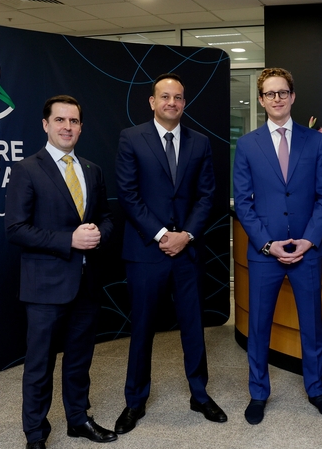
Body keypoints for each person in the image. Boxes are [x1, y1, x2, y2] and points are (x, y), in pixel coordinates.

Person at [114, 72, 224, 433]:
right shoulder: (131, 138)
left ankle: (200, 395)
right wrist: (163, 235)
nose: (171, 102)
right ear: (152, 101)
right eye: (165, 96)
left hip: (187, 252)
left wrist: (186, 235)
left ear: (184, 103)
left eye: (178, 97)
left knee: (193, 327)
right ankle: (135, 401)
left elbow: (207, 195)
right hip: (147, 251)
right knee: (142, 328)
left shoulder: (200, 142)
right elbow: (128, 194)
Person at [5, 95, 116, 449]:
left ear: (81, 127)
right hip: (45, 286)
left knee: (80, 360)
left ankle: (78, 419)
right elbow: (15, 229)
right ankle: (35, 434)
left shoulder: (92, 170)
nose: (68, 127)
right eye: (60, 120)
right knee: (40, 365)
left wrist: (98, 234)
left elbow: (106, 218)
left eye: (74, 121)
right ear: (46, 125)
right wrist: (69, 239)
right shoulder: (27, 169)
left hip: (86, 283)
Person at [233, 68, 322, 425]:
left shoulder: (314, 142)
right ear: (261, 100)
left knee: (312, 325)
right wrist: (267, 244)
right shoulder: (248, 145)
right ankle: (258, 393)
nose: (276, 98)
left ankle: (316, 389)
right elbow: (242, 202)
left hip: (307, 251)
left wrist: (309, 239)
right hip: (265, 254)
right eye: (269, 93)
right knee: (259, 327)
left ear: (292, 96)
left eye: (282, 92)